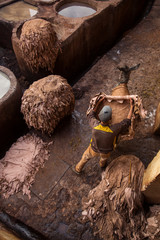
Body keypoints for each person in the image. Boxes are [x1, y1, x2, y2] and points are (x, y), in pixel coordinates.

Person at [72, 98, 134, 174]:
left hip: (93, 149)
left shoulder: (94, 124)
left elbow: (91, 114)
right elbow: (127, 122)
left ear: (99, 116)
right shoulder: (114, 129)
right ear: (111, 118)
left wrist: (99, 102)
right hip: (106, 152)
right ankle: (102, 166)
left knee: (85, 157)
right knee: (103, 159)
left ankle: (78, 169)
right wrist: (131, 106)